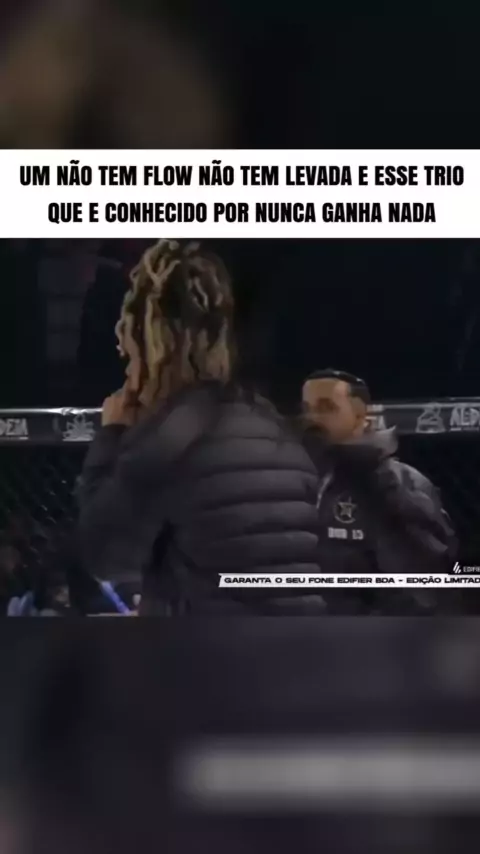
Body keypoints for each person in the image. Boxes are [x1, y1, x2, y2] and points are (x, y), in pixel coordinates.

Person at [76, 239, 323, 616]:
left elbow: (102, 553)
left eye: (130, 359)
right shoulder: (276, 428)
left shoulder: (170, 437)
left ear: (149, 349)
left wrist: (111, 436)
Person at [301, 369, 457, 613]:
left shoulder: (401, 484)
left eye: (326, 407)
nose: (312, 418)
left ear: (360, 415)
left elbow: (420, 590)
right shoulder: (296, 474)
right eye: (307, 408)